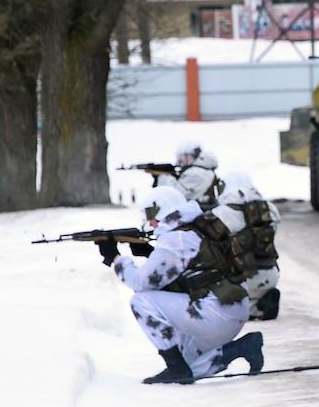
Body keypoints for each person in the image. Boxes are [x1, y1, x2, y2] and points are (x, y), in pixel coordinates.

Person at [101, 185, 263, 384]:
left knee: (141, 301)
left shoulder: (176, 239)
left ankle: (175, 368)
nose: (149, 222)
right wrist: (150, 253)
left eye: (150, 215)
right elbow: (188, 271)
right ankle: (242, 348)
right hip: (230, 308)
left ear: (161, 211)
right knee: (190, 368)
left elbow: (142, 282)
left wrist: (116, 258)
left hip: (216, 313)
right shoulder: (197, 228)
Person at [215, 170, 282, 321]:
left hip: (243, 277)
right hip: (271, 272)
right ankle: (259, 303)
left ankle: (253, 308)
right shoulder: (269, 208)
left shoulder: (221, 212)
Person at [157, 139, 220, 206]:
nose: (179, 160)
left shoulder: (197, 173)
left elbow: (174, 196)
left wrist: (163, 176)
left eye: (181, 156)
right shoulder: (201, 171)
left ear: (189, 155)